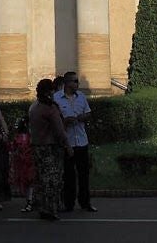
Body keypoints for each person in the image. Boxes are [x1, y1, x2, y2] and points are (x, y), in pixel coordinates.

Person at [27, 77, 70, 221]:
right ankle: (52, 209)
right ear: (50, 91)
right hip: (51, 148)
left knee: (40, 178)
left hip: (37, 147)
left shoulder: (33, 107)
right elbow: (59, 131)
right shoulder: (50, 108)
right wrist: (68, 146)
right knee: (53, 179)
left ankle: (42, 207)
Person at [55, 70, 96, 212]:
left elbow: (89, 113)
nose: (77, 84)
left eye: (77, 81)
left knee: (84, 174)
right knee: (68, 175)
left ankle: (85, 203)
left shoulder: (81, 97)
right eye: (75, 81)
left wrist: (81, 118)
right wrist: (64, 121)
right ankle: (69, 203)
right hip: (67, 142)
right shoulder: (57, 98)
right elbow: (54, 119)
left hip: (81, 141)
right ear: (67, 83)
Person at [9, 119, 35, 212]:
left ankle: (30, 201)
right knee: (29, 182)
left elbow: (14, 148)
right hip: (27, 162)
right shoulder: (28, 136)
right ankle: (30, 201)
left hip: (26, 162)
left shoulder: (20, 137)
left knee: (28, 182)